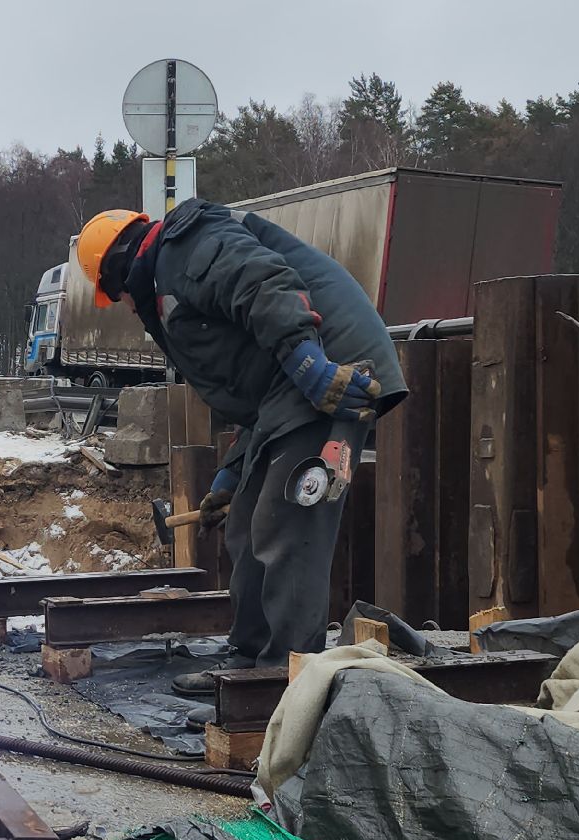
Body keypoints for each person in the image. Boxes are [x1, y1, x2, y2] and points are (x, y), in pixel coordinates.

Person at [74, 201, 408, 687]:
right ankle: (250, 663)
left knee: (288, 526)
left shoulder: (185, 248)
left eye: (115, 295)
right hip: (289, 388)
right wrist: (233, 472)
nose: (125, 305)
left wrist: (308, 363)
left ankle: (285, 677)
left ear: (118, 271)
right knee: (248, 528)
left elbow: (262, 281)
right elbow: (256, 390)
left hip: (335, 371)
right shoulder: (171, 273)